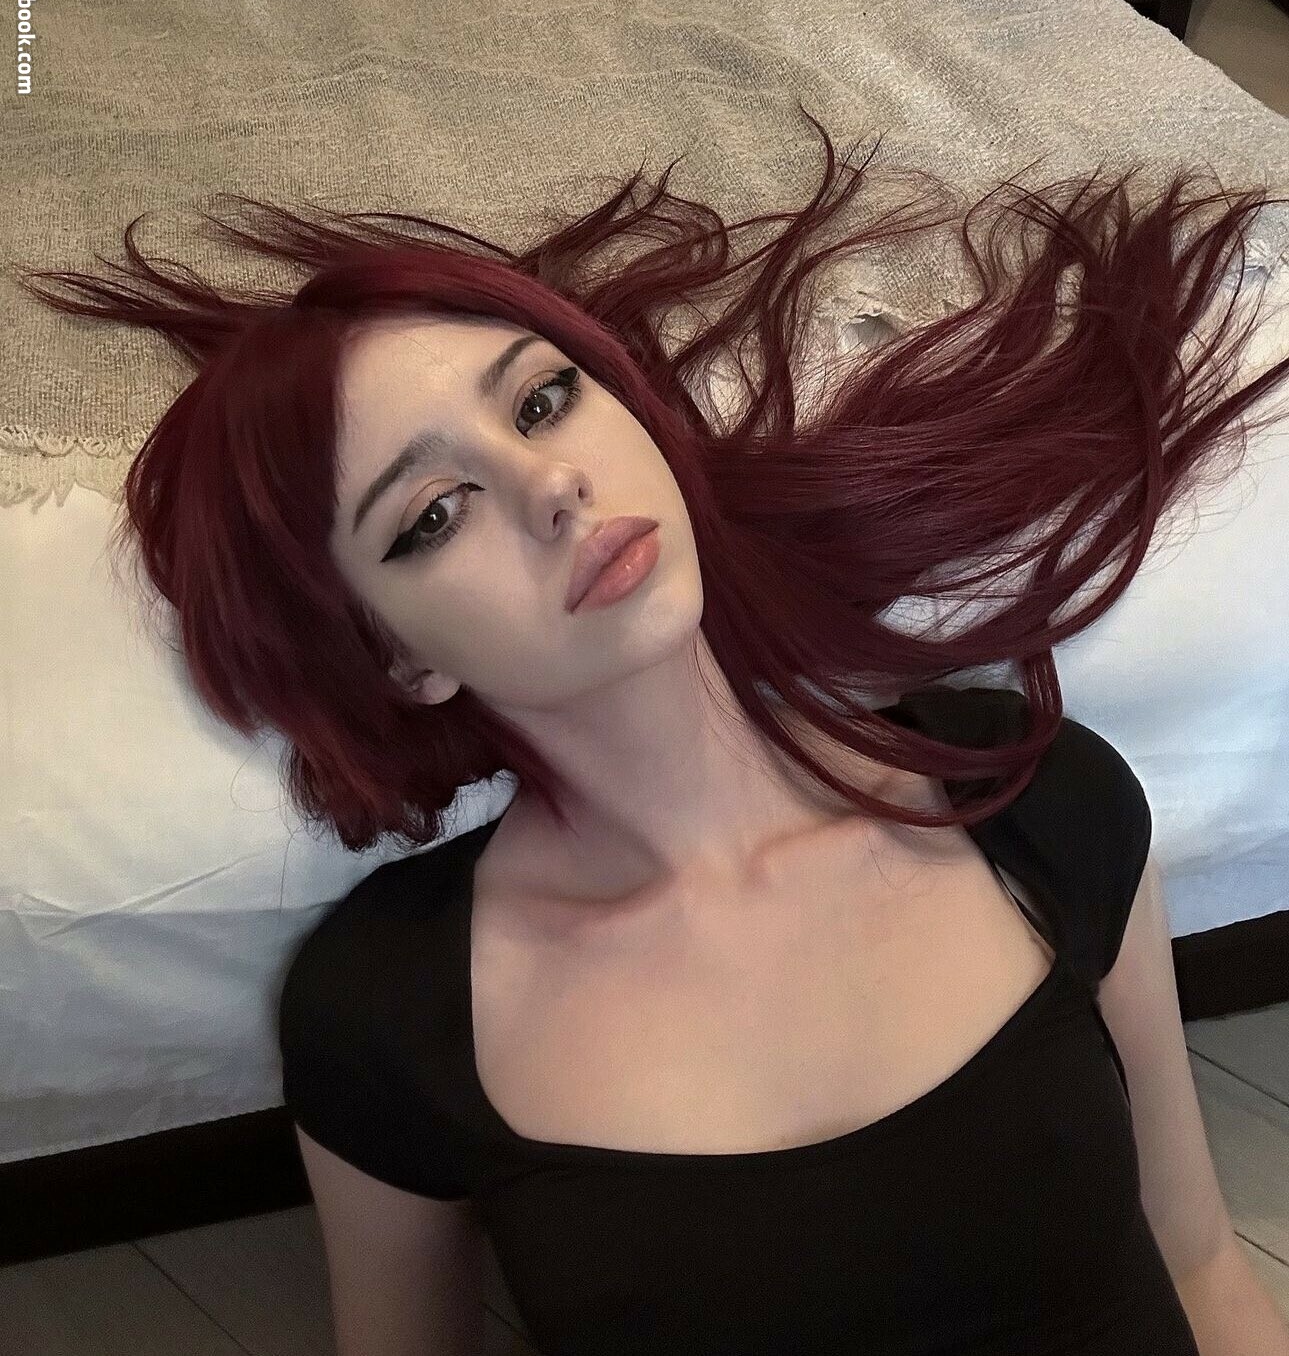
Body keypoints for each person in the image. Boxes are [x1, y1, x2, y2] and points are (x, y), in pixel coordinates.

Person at [14, 106, 1289, 1353]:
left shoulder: (1022, 792)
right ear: (399, 657)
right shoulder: (394, 1009)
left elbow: (1194, 1257)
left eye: (541, 402)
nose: (550, 486)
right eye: (432, 515)